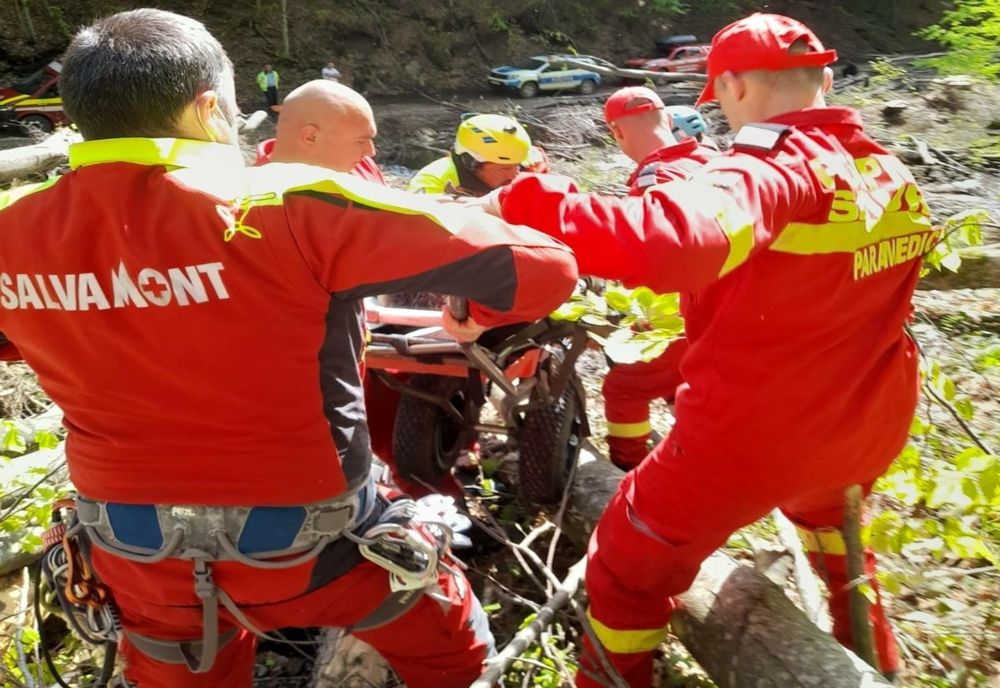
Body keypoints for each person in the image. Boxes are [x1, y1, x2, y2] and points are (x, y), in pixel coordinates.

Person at [0, 9, 578, 688]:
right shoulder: (285, 202)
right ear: (209, 109)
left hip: (137, 558)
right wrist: (468, 315)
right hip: (323, 550)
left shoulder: (14, 225)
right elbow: (544, 266)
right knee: (453, 653)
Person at [473, 13, 931, 685]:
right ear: (826, 77)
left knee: (625, 566)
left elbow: (670, 244)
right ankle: (870, 662)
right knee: (841, 552)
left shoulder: (774, 165)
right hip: (868, 423)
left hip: (755, 436)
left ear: (735, 87)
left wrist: (524, 199)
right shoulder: (888, 171)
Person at [600, 88, 719, 469]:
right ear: (668, 120)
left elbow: (654, 252)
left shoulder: (654, 177)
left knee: (624, 388)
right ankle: (699, 453)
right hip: (729, 305)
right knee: (680, 384)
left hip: (685, 308)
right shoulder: (713, 159)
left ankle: (627, 468)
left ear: (617, 133)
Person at [255, 79, 384, 184]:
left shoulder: (362, 166)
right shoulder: (253, 201)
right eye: (360, 142)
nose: (371, 152)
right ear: (311, 137)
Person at [408, 113, 533, 196]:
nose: (513, 175)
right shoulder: (433, 182)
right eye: (504, 168)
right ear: (471, 162)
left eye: (517, 166)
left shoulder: (526, 164)